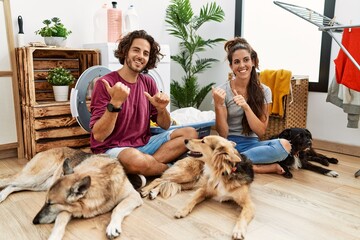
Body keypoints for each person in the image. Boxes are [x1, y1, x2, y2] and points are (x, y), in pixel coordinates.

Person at [90, 30, 198, 189]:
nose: (141, 56)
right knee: (136, 159)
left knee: (191, 134)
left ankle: (144, 169)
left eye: (146, 53)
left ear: (149, 59)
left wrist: (161, 109)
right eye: (136, 50)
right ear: (125, 51)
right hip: (113, 148)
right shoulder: (105, 83)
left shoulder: (148, 83)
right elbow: (99, 136)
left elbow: (165, 125)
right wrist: (116, 103)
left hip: (144, 144)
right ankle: (170, 170)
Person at [212, 37, 291, 175]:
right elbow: (223, 134)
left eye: (246, 60)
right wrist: (218, 105)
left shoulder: (264, 91)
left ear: (253, 61)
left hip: (253, 144)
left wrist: (246, 107)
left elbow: (260, 131)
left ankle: (234, 163)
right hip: (229, 144)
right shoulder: (222, 91)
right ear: (231, 66)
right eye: (236, 62)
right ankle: (255, 167)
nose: (242, 65)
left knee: (285, 145)